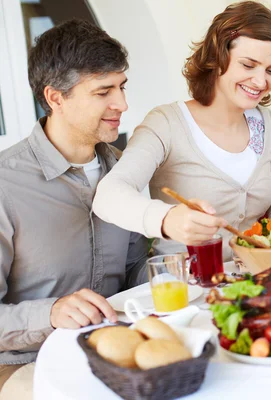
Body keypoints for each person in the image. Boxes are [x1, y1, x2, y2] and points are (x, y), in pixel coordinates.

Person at [93, 1, 271, 260]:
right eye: (248, 65)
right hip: (185, 285)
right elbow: (108, 196)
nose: (261, 81)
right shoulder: (166, 123)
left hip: (250, 283)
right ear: (217, 58)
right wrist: (167, 219)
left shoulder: (269, 125)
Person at [0, 20, 148, 398]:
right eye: (103, 92)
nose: (122, 104)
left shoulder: (125, 170)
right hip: (24, 364)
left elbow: (134, 272)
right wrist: (50, 313)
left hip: (116, 352)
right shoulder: (5, 184)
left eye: (122, 87)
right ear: (55, 98)